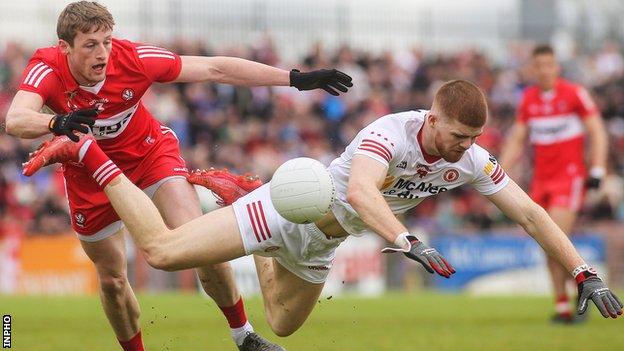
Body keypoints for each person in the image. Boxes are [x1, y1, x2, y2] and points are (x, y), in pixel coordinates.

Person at [22, 80, 622, 345]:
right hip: (287, 210)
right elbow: (363, 193)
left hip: (319, 247)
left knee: (281, 326)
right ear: (432, 118)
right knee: (161, 252)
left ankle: (238, 205)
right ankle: (89, 150)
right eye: (458, 135)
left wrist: (583, 273)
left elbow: (530, 214)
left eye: (473, 139)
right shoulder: (390, 132)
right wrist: (407, 239)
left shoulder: (469, 159)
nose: (466, 147)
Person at [4, 2, 352, 350]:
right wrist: (55, 122)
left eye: (107, 41)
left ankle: (243, 335)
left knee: (198, 241)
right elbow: (16, 118)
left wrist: (293, 79)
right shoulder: (47, 66)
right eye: (91, 45)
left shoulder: (134, 59)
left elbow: (215, 68)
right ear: (65, 47)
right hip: (88, 176)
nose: (103, 53)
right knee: (111, 280)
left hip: (149, 155)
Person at [499, 45, 608, 323]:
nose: (545, 70)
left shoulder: (573, 93)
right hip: (541, 182)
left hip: (569, 179)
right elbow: (516, 140)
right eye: (539, 65)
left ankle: (580, 295)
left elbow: (596, 130)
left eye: (550, 64)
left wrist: (597, 167)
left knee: (556, 237)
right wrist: (497, 172)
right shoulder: (529, 100)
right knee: (549, 245)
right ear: (532, 69)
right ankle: (563, 306)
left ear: (557, 67)